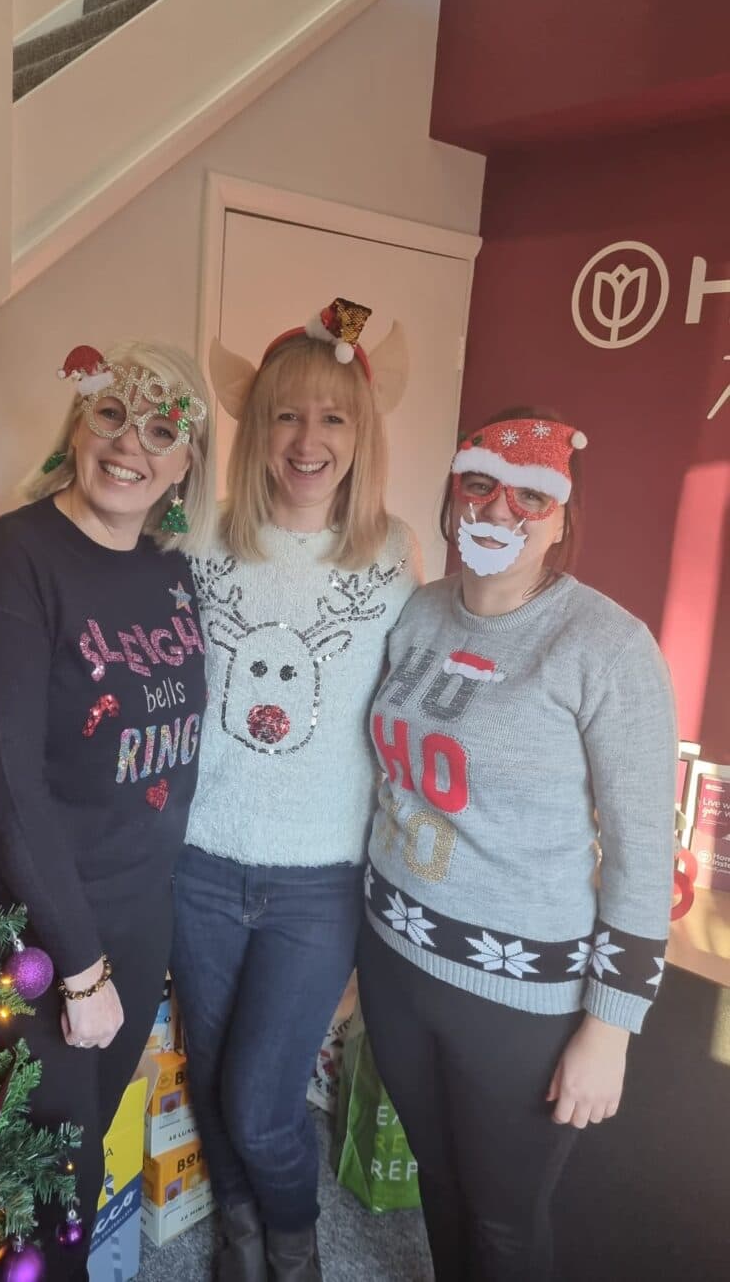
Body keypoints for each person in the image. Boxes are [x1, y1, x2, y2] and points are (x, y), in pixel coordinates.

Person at [359, 408, 677, 1282]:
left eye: (531, 496)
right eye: (480, 486)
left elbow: (646, 849)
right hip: (393, 961)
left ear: (563, 517)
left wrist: (611, 1026)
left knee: (505, 1221)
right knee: (437, 1176)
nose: (501, 512)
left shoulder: (607, 647)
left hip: (519, 996)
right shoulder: (419, 615)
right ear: (453, 495)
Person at [0, 339, 215, 1279]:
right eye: (112, 415)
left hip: (138, 913)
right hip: (36, 926)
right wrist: (82, 969)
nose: (132, 444)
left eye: (163, 430)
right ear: (77, 426)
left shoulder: (170, 572)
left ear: (183, 468)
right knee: (46, 1175)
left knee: (79, 1165)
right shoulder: (9, 560)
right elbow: (6, 780)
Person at [171, 299, 421, 1282]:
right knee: (212, 1081)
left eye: (331, 418)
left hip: (317, 882)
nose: (307, 440)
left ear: (361, 434)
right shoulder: (199, 539)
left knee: (262, 1102)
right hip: (199, 865)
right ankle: (241, 1245)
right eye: (285, 415)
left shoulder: (396, 555)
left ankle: (295, 1246)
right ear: (257, 429)